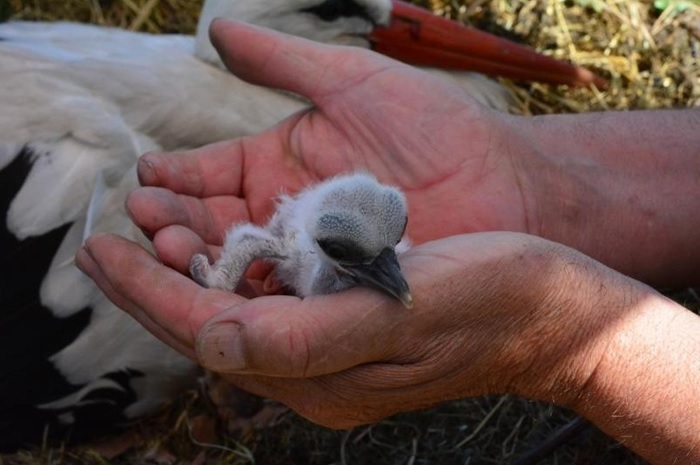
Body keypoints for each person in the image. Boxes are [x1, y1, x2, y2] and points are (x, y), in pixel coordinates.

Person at [75, 19, 700, 465]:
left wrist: (580, 348)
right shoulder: (304, 242)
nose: (395, 267)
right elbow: (254, 245)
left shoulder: (352, 235)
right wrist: (531, 179)